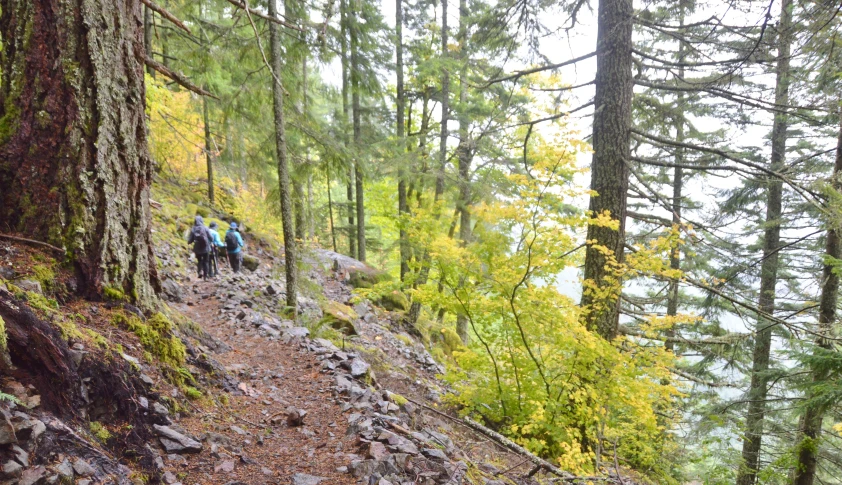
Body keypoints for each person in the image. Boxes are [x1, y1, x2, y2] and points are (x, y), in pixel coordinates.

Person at [187, 215, 213, 280]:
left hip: (197, 248)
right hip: (206, 248)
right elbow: (211, 238)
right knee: (206, 262)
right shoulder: (205, 228)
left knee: (199, 261)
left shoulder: (193, 229)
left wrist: (189, 242)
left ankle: (199, 272)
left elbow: (190, 240)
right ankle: (205, 276)